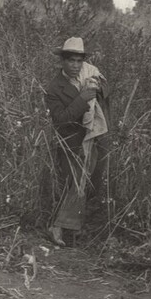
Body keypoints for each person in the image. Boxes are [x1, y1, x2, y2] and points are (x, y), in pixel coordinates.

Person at [44, 37, 110, 246]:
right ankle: (56, 227)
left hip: (93, 139)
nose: (74, 65)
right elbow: (60, 119)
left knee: (93, 182)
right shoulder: (54, 88)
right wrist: (82, 99)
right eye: (70, 60)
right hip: (70, 142)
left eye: (78, 61)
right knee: (72, 183)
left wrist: (98, 89)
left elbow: (108, 90)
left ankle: (76, 230)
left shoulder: (89, 73)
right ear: (62, 62)